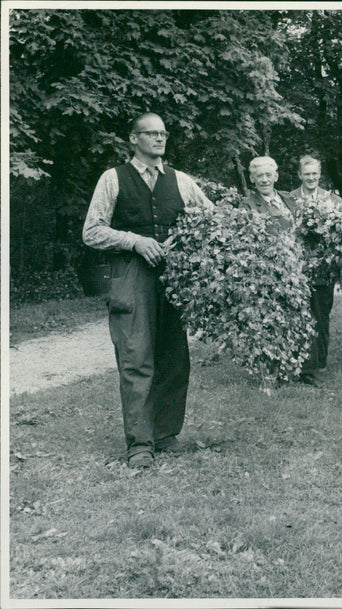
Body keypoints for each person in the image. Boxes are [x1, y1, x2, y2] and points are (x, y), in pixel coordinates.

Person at [82, 112, 212, 469]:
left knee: (174, 356)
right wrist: (135, 241)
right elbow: (91, 231)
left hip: (175, 276)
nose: (159, 139)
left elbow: (213, 220)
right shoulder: (113, 179)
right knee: (136, 356)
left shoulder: (181, 181)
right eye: (151, 134)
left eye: (163, 133)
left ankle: (166, 435)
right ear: (133, 139)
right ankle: (140, 444)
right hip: (131, 275)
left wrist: (183, 239)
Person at [289, 155, 342, 385]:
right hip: (296, 265)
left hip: (323, 266)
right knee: (299, 314)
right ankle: (299, 363)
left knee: (321, 314)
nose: (311, 177)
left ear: (319, 175)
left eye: (315, 174)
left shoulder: (333, 200)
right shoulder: (289, 199)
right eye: (307, 173)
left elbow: (340, 233)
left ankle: (319, 362)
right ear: (300, 175)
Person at [241, 156, 297, 232]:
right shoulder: (247, 206)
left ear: (276, 176)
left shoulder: (290, 197)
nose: (264, 180)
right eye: (259, 176)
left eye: (268, 175)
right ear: (252, 178)